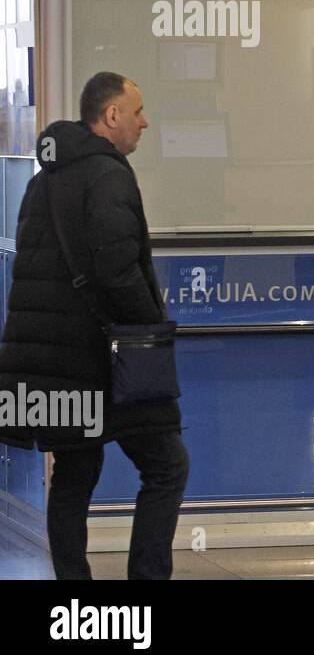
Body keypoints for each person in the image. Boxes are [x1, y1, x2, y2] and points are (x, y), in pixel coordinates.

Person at [0, 73, 188, 579]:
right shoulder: (107, 174)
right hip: (103, 358)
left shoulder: (43, 180)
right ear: (110, 116)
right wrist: (152, 331)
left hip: (50, 361)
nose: (144, 122)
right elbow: (118, 271)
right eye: (137, 111)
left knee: (74, 474)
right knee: (167, 465)